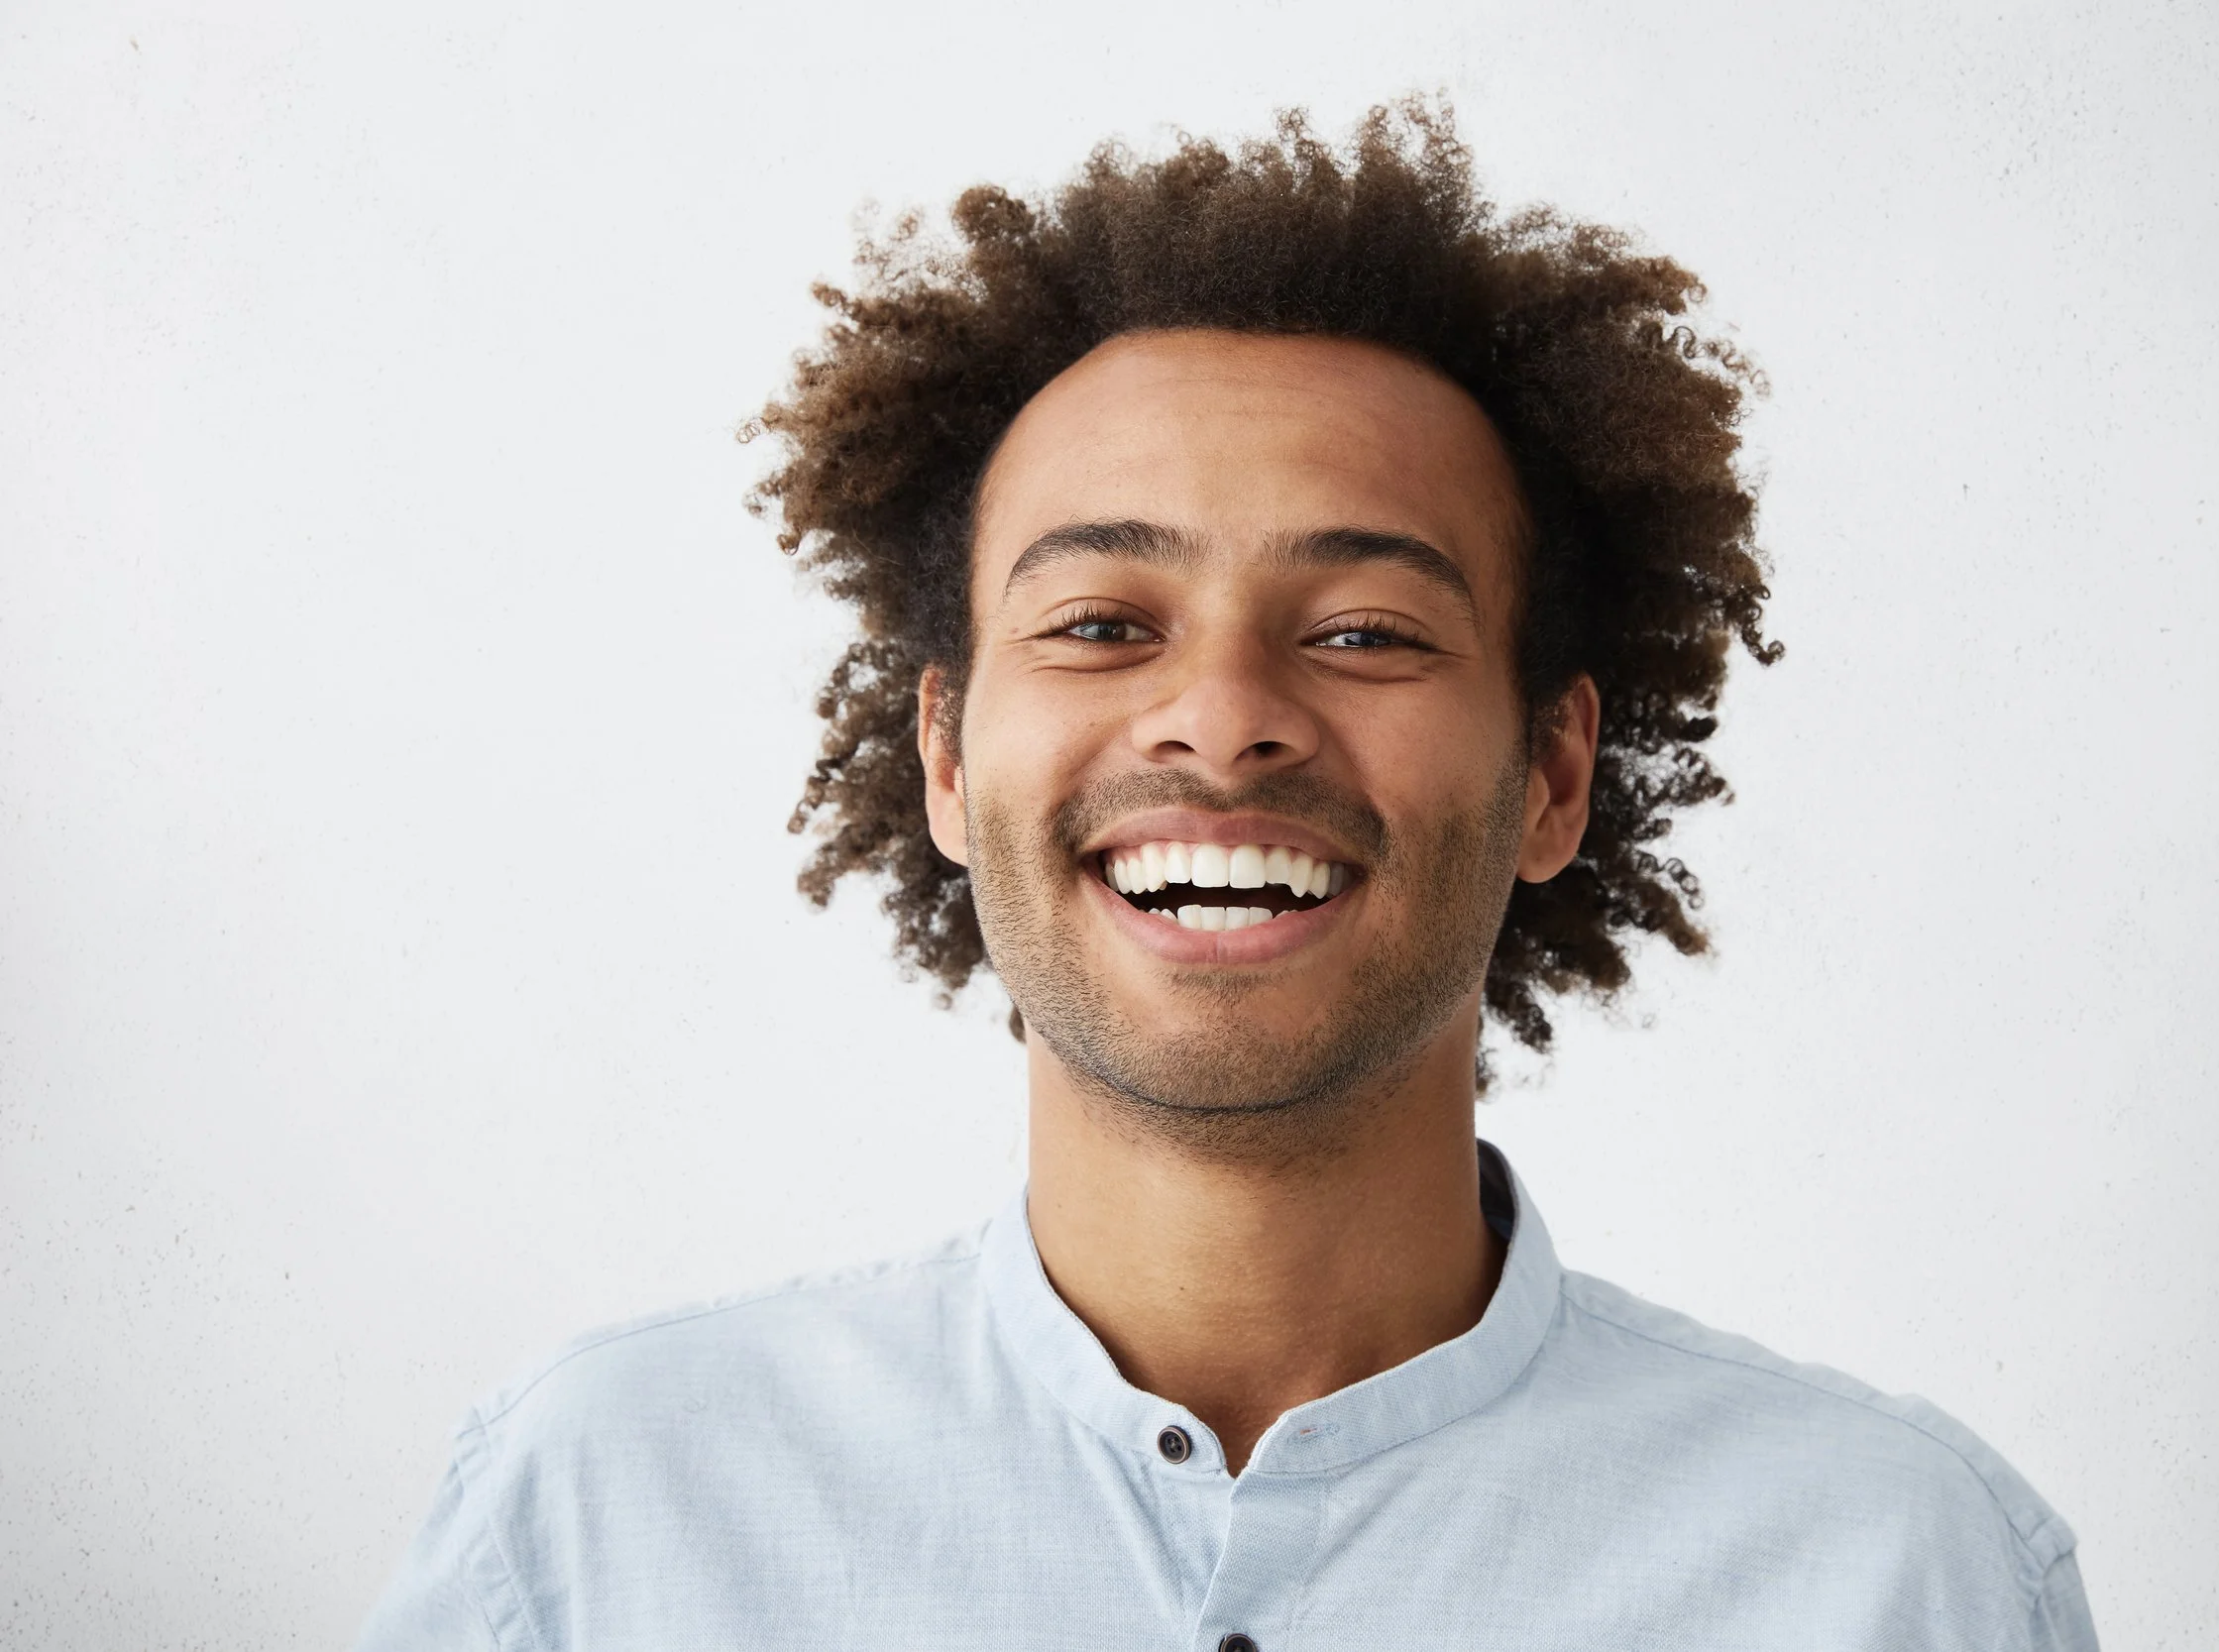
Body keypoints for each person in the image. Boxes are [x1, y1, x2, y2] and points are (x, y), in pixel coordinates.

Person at [358, 102, 2097, 1650]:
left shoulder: (1902, 1573)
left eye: (1363, 630)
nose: (1224, 719)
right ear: (950, 760)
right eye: (1104, 623)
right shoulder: (596, 1527)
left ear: (1554, 773)